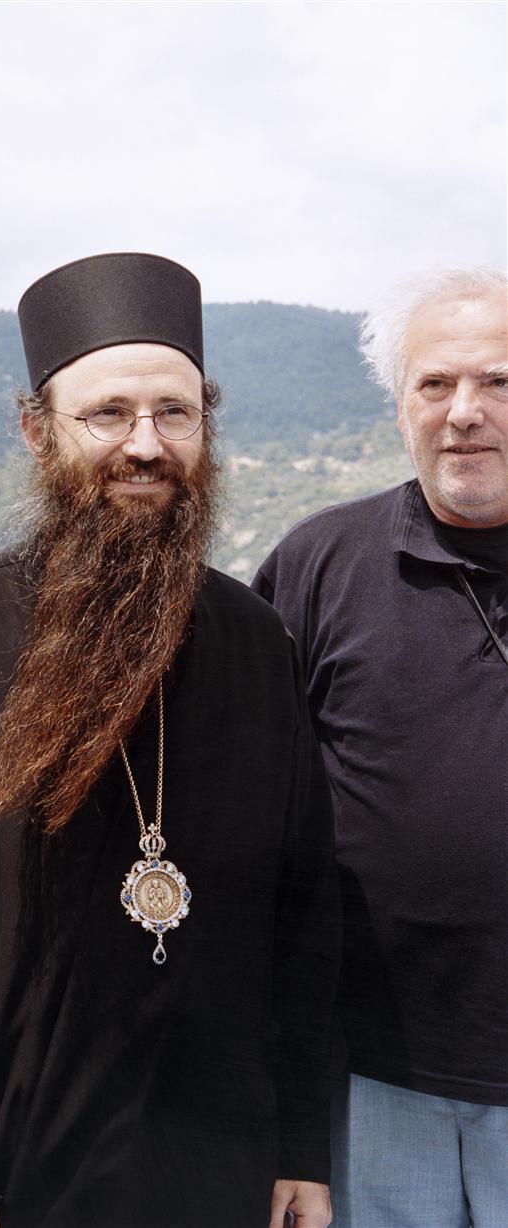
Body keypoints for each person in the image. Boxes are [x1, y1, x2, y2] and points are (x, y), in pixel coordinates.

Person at [0, 253, 340, 1228]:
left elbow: (305, 916)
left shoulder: (259, 640)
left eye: (175, 413)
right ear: (38, 433)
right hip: (10, 1173)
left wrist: (300, 1145)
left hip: (218, 1164)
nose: (146, 445)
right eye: (108, 414)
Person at [253, 267, 508, 1228]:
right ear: (401, 406)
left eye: (499, 382)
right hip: (369, 1080)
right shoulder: (318, 565)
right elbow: (252, 816)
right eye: (435, 383)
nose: (464, 412)